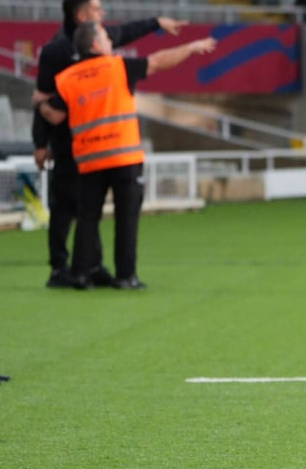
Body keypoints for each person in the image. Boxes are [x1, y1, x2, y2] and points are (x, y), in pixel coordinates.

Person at [39, 23, 218, 290]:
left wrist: (39, 105)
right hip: (124, 157)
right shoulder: (117, 67)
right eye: (105, 37)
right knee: (126, 219)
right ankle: (125, 276)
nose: (110, 40)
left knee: (87, 218)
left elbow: (54, 114)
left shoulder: (67, 78)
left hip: (89, 159)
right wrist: (190, 48)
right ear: (95, 45)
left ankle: (79, 274)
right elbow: (158, 61)